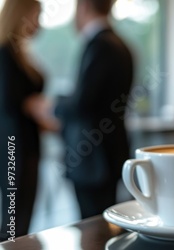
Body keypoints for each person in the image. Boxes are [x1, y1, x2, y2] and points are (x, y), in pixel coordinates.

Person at [54, 0, 134, 219]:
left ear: (84, 6)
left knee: (92, 226)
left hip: (92, 157)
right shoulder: (122, 45)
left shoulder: (100, 45)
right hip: (110, 151)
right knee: (103, 221)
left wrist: (54, 105)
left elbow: (84, 102)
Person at [0, 0, 57, 240]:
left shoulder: (19, 53)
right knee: (13, 218)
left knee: (22, 216)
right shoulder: (4, 54)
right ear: (21, 15)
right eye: (35, 15)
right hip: (13, 146)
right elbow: (10, 101)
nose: (38, 22)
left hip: (28, 143)